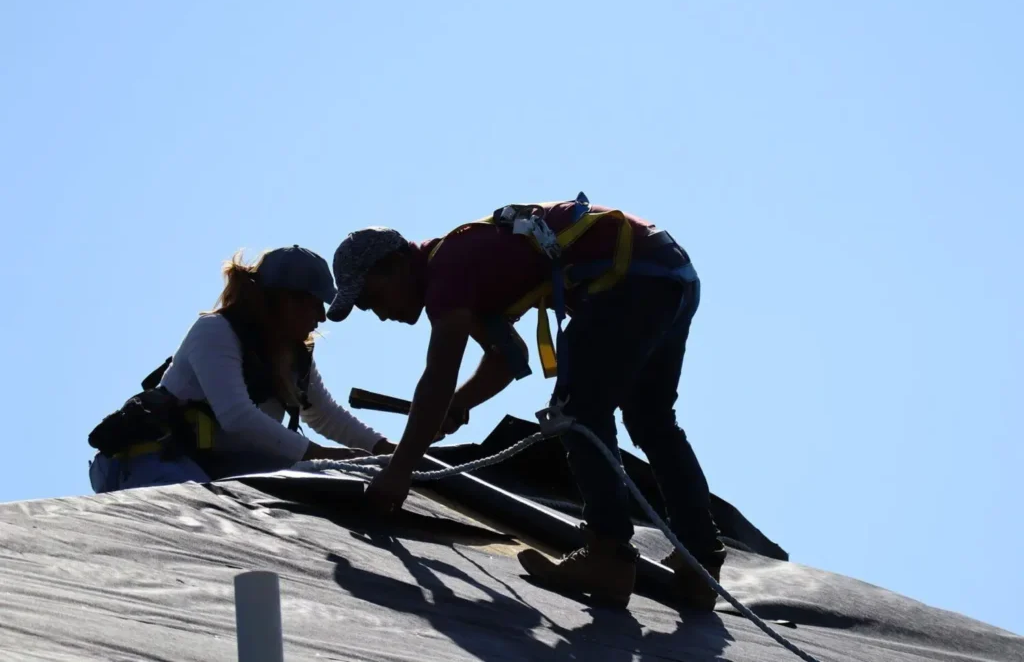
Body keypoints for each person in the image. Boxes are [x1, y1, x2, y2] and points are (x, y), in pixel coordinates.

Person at [323, 193, 726, 611]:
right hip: (665, 272)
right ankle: (700, 565)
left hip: (630, 277)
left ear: (394, 267)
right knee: (650, 418)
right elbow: (505, 360)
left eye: (369, 298)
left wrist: (399, 469)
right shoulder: (464, 265)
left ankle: (607, 554)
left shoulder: (446, 269)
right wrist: (460, 405)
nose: (374, 312)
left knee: (577, 412)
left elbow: (438, 375)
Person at [87, 245, 396, 494]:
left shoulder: (295, 354)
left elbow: (324, 414)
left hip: (213, 467)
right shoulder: (215, 332)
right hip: (151, 461)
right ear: (284, 300)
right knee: (197, 522)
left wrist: (387, 450)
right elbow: (236, 416)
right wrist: (321, 456)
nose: (322, 317)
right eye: (315, 303)